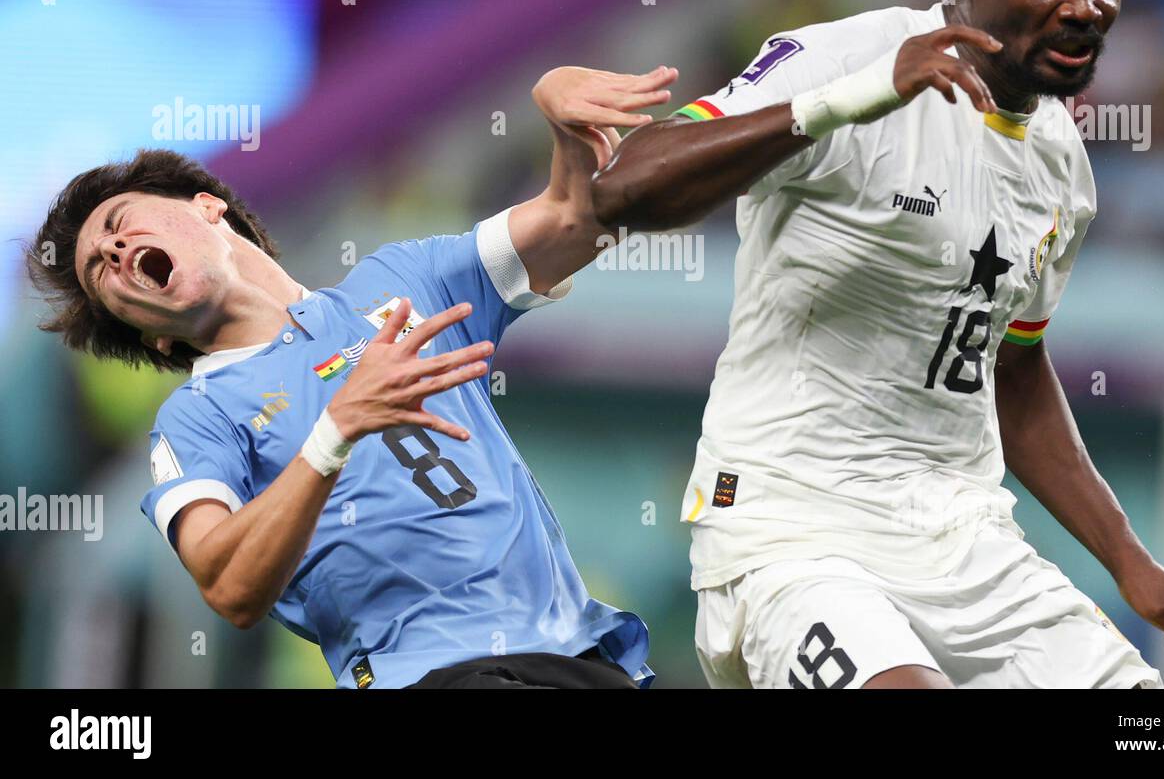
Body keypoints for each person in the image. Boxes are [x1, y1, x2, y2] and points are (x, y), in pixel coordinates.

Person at [588, 0, 1164, 688]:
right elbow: (625, 185)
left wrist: (1133, 565)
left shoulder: (1062, 167)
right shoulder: (848, 60)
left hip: (966, 543)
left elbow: (1010, 366)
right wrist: (853, 99)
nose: (1085, 6)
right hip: (794, 532)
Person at [25, 64, 678, 689]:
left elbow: (577, 219)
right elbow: (226, 588)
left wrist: (562, 118)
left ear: (205, 207)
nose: (113, 250)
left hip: (579, 655)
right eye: (100, 274)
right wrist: (333, 430)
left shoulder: (402, 279)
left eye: (117, 223)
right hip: (435, 676)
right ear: (151, 334)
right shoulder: (200, 417)